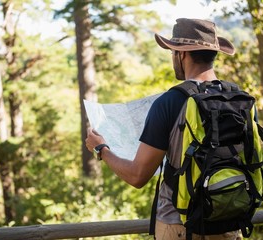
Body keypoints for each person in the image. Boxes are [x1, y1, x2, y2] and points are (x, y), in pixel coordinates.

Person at [85, 18, 241, 240]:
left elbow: (137, 176)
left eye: (172, 52)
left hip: (179, 226)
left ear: (182, 54)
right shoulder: (238, 99)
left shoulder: (170, 102)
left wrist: (101, 149)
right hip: (228, 221)